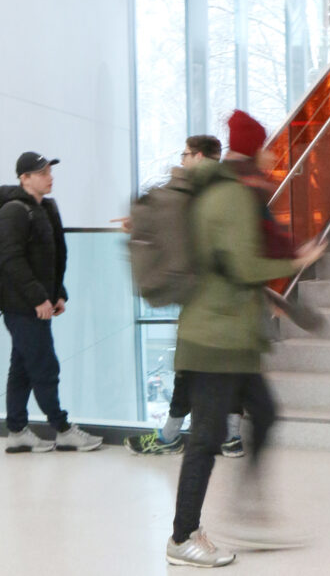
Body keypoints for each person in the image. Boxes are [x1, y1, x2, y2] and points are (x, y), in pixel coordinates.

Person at [166, 110, 326, 568]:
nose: (272, 153)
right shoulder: (232, 194)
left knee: (266, 413)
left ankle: (247, 510)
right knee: (207, 437)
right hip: (216, 338)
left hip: (228, 333)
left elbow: (227, 259)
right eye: (266, 146)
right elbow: (242, 265)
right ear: (252, 149)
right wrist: (297, 261)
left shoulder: (220, 188)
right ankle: (182, 536)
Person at [123, 135, 247, 458]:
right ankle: (227, 436)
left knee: (190, 366)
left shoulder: (201, 191)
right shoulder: (224, 189)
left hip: (203, 295)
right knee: (226, 364)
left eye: (186, 154)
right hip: (221, 295)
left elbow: (184, 231)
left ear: (201, 156)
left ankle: (173, 436)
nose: (182, 159)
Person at [0, 152, 102, 453]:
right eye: (41, 172)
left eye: (49, 171)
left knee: (23, 367)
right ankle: (62, 429)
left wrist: (58, 293)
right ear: (24, 178)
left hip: (38, 301)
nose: (49, 176)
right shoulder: (13, 212)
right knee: (44, 366)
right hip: (20, 305)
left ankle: (17, 431)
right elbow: (12, 260)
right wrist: (39, 297)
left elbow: (53, 258)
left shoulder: (46, 208)